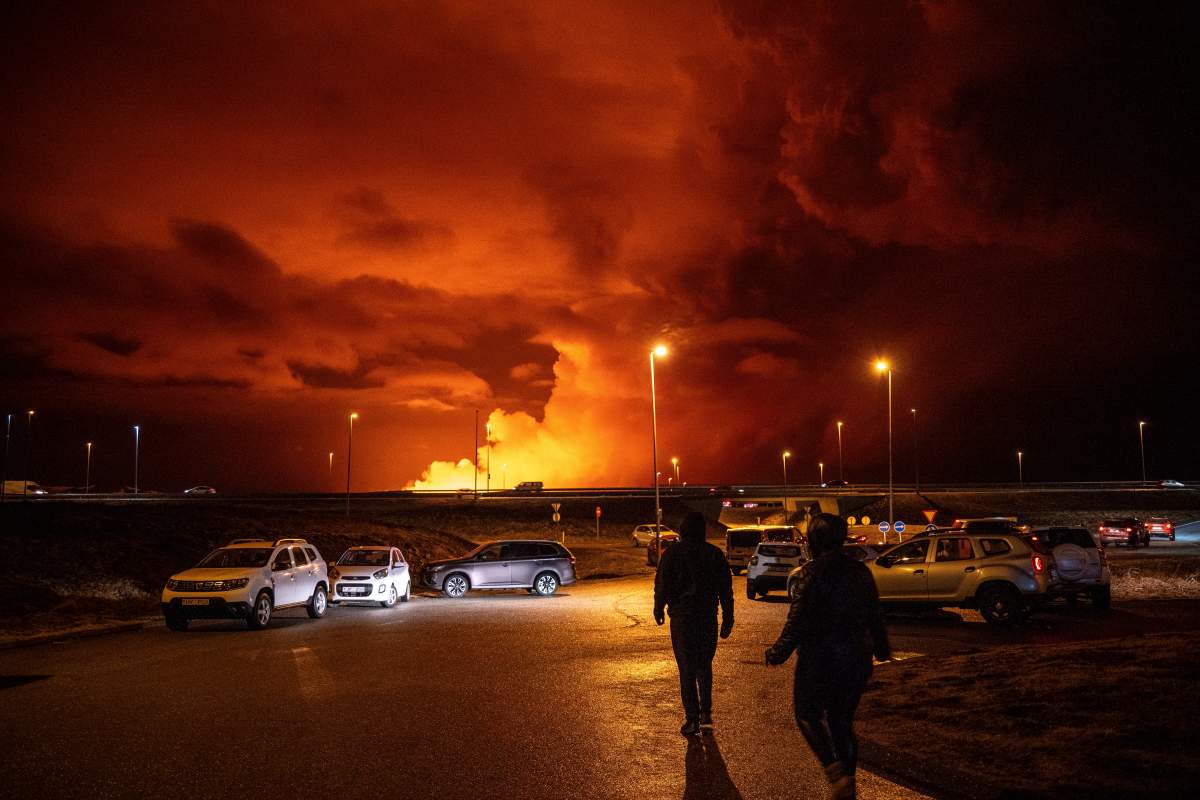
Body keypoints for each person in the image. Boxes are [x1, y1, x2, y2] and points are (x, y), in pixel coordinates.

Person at [764, 513, 891, 799]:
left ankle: (836, 773)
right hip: (857, 659)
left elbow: (795, 622)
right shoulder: (861, 571)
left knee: (807, 713)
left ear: (814, 540)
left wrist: (777, 653)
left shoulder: (811, 573)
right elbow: (875, 615)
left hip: (820, 659)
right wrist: (882, 648)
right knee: (842, 720)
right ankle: (849, 780)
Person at [654, 511, 734, 736]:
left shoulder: (672, 554)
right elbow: (726, 591)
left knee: (687, 669)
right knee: (704, 665)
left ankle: (692, 718)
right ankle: (706, 712)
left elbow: (662, 583)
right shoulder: (714, 554)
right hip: (707, 618)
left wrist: (658, 608)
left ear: (682, 530)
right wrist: (728, 618)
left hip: (682, 619)